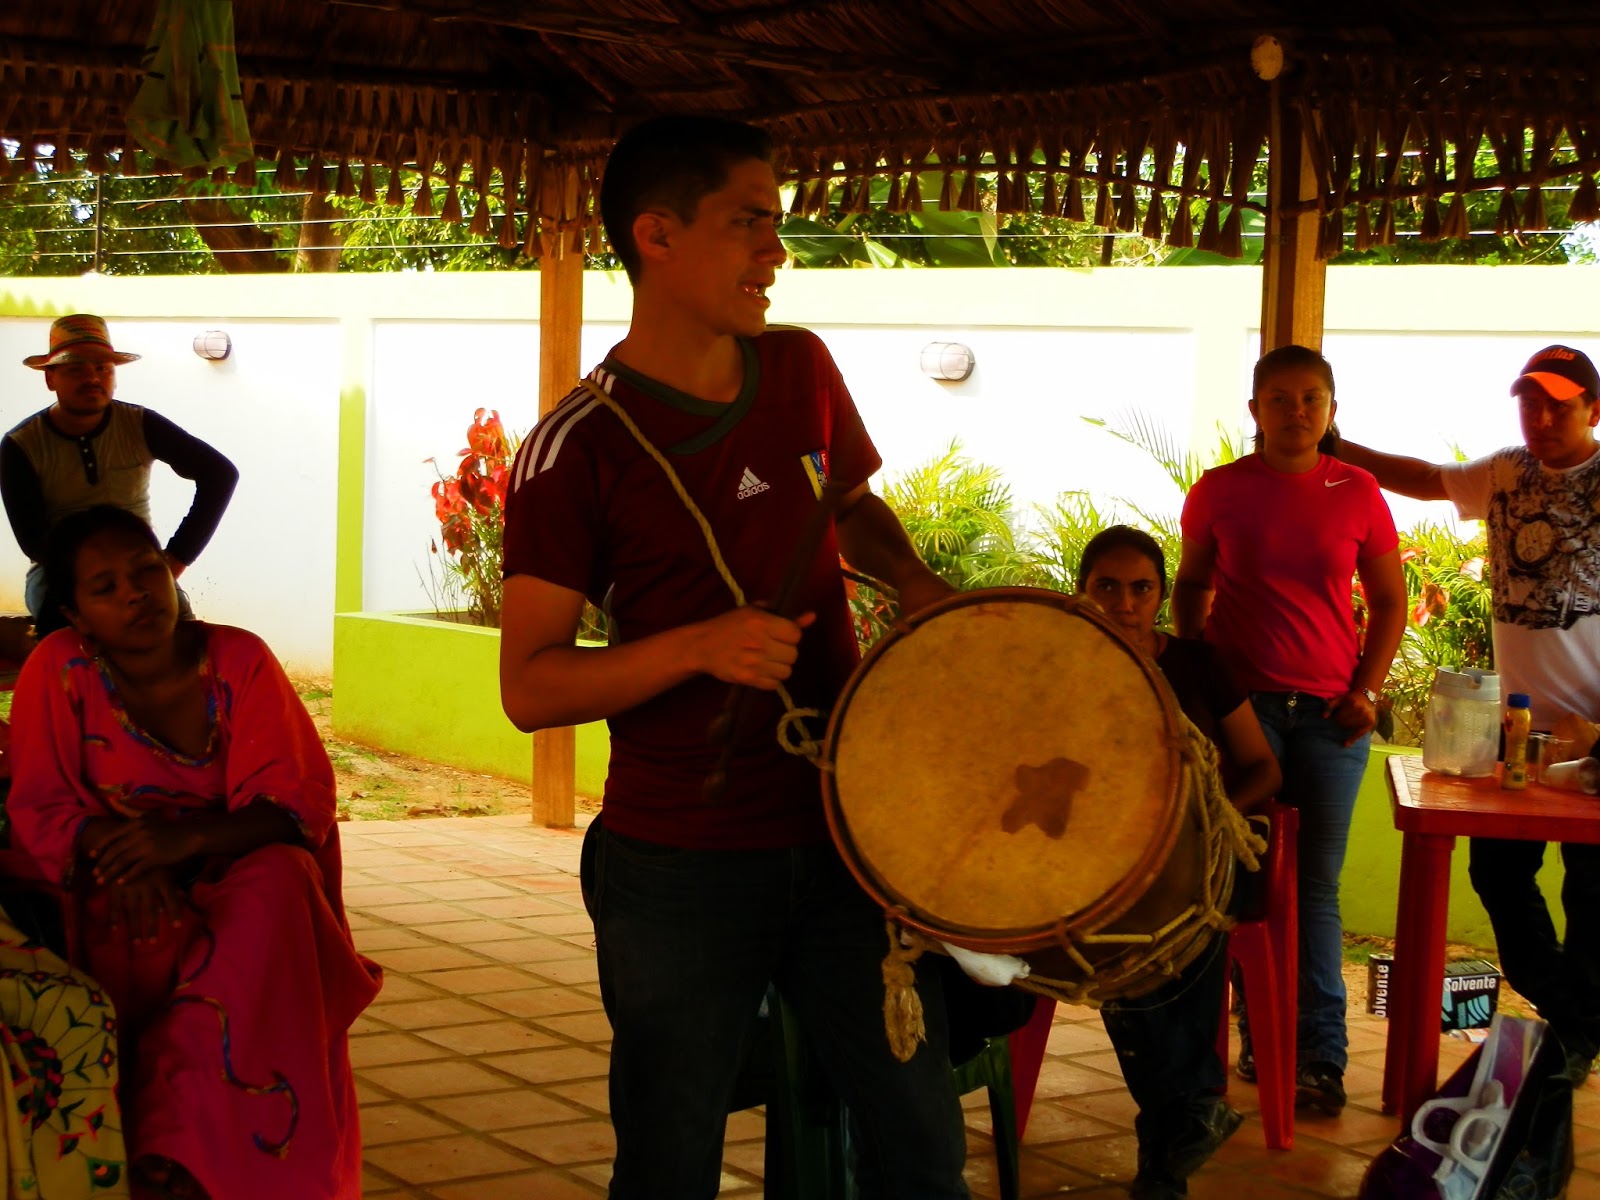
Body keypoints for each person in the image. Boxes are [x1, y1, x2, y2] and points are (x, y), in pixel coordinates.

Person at [499, 115, 969, 1197]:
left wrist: (915, 582)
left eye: (777, 222)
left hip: (847, 834)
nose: (777, 250)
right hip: (681, 866)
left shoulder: (800, 367)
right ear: (657, 235)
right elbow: (529, 686)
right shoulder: (576, 448)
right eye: (749, 222)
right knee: (670, 1163)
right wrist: (696, 647)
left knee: (921, 1145)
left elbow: (848, 506)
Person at [8, 505, 381, 1200]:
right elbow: (39, 803)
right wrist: (121, 858)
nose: (135, 593)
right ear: (76, 615)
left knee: (282, 882)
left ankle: (179, 1143)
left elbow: (295, 804)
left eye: (146, 570)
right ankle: (170, 1145)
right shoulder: (58, 669)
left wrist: (181, 842)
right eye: (106, 586)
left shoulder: (240, 659)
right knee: (139, 921)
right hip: (117, 885)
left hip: (234, 872)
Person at [1331, 343, 1600, 1079]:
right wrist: (1338, 446)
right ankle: (1575, 1020)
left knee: (1593, 896)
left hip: (1593, 736)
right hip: (1515, 732)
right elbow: (1425, 479)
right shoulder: (1506, 471)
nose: (1540, 417)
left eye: (1558, 405)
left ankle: (1575, 1037)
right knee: (1498, 876)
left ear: (1592, 409)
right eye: (1529, 402)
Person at [1174, 344, 1407, 1116]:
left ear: (1332, 410)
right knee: (1243, 880)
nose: (1296, 410)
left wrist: (1367, 690)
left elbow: (1390, 602)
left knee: (1314, 888)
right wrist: (1202, 686)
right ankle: (1254, 1036)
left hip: (1332, 720)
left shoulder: (1359, 491)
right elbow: (1191, 586)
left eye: (1311, 398)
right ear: (1255, 411)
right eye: (1279, 398)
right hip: (1246, 716)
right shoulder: (1218, 490)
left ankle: (1320, 1057)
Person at [1077, 525, 1281, 1199]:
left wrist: (1209, 819)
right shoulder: (1062, 667)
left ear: (1161, 596)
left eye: (1141, 588)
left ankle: (1175, 1134)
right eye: (1107, 586)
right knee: (1113, 933)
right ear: (1082, 591)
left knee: (1177, 912)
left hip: (1208, 857)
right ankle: (1184, 1121)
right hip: (1106, 867)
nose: (1124, 603)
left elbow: (1263, 767)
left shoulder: (1198, 665)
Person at [1, 314, 238, 631]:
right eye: (76, 369)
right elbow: (34, 542)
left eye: (103, 368)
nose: (92, 378)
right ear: (50, 379)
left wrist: (176, 559)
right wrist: (95, 578)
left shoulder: (140, 424)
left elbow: (220, 474)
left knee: (183, 638)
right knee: (63, 638)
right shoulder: (21, 444)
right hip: (59, 567)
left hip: (138, 560)